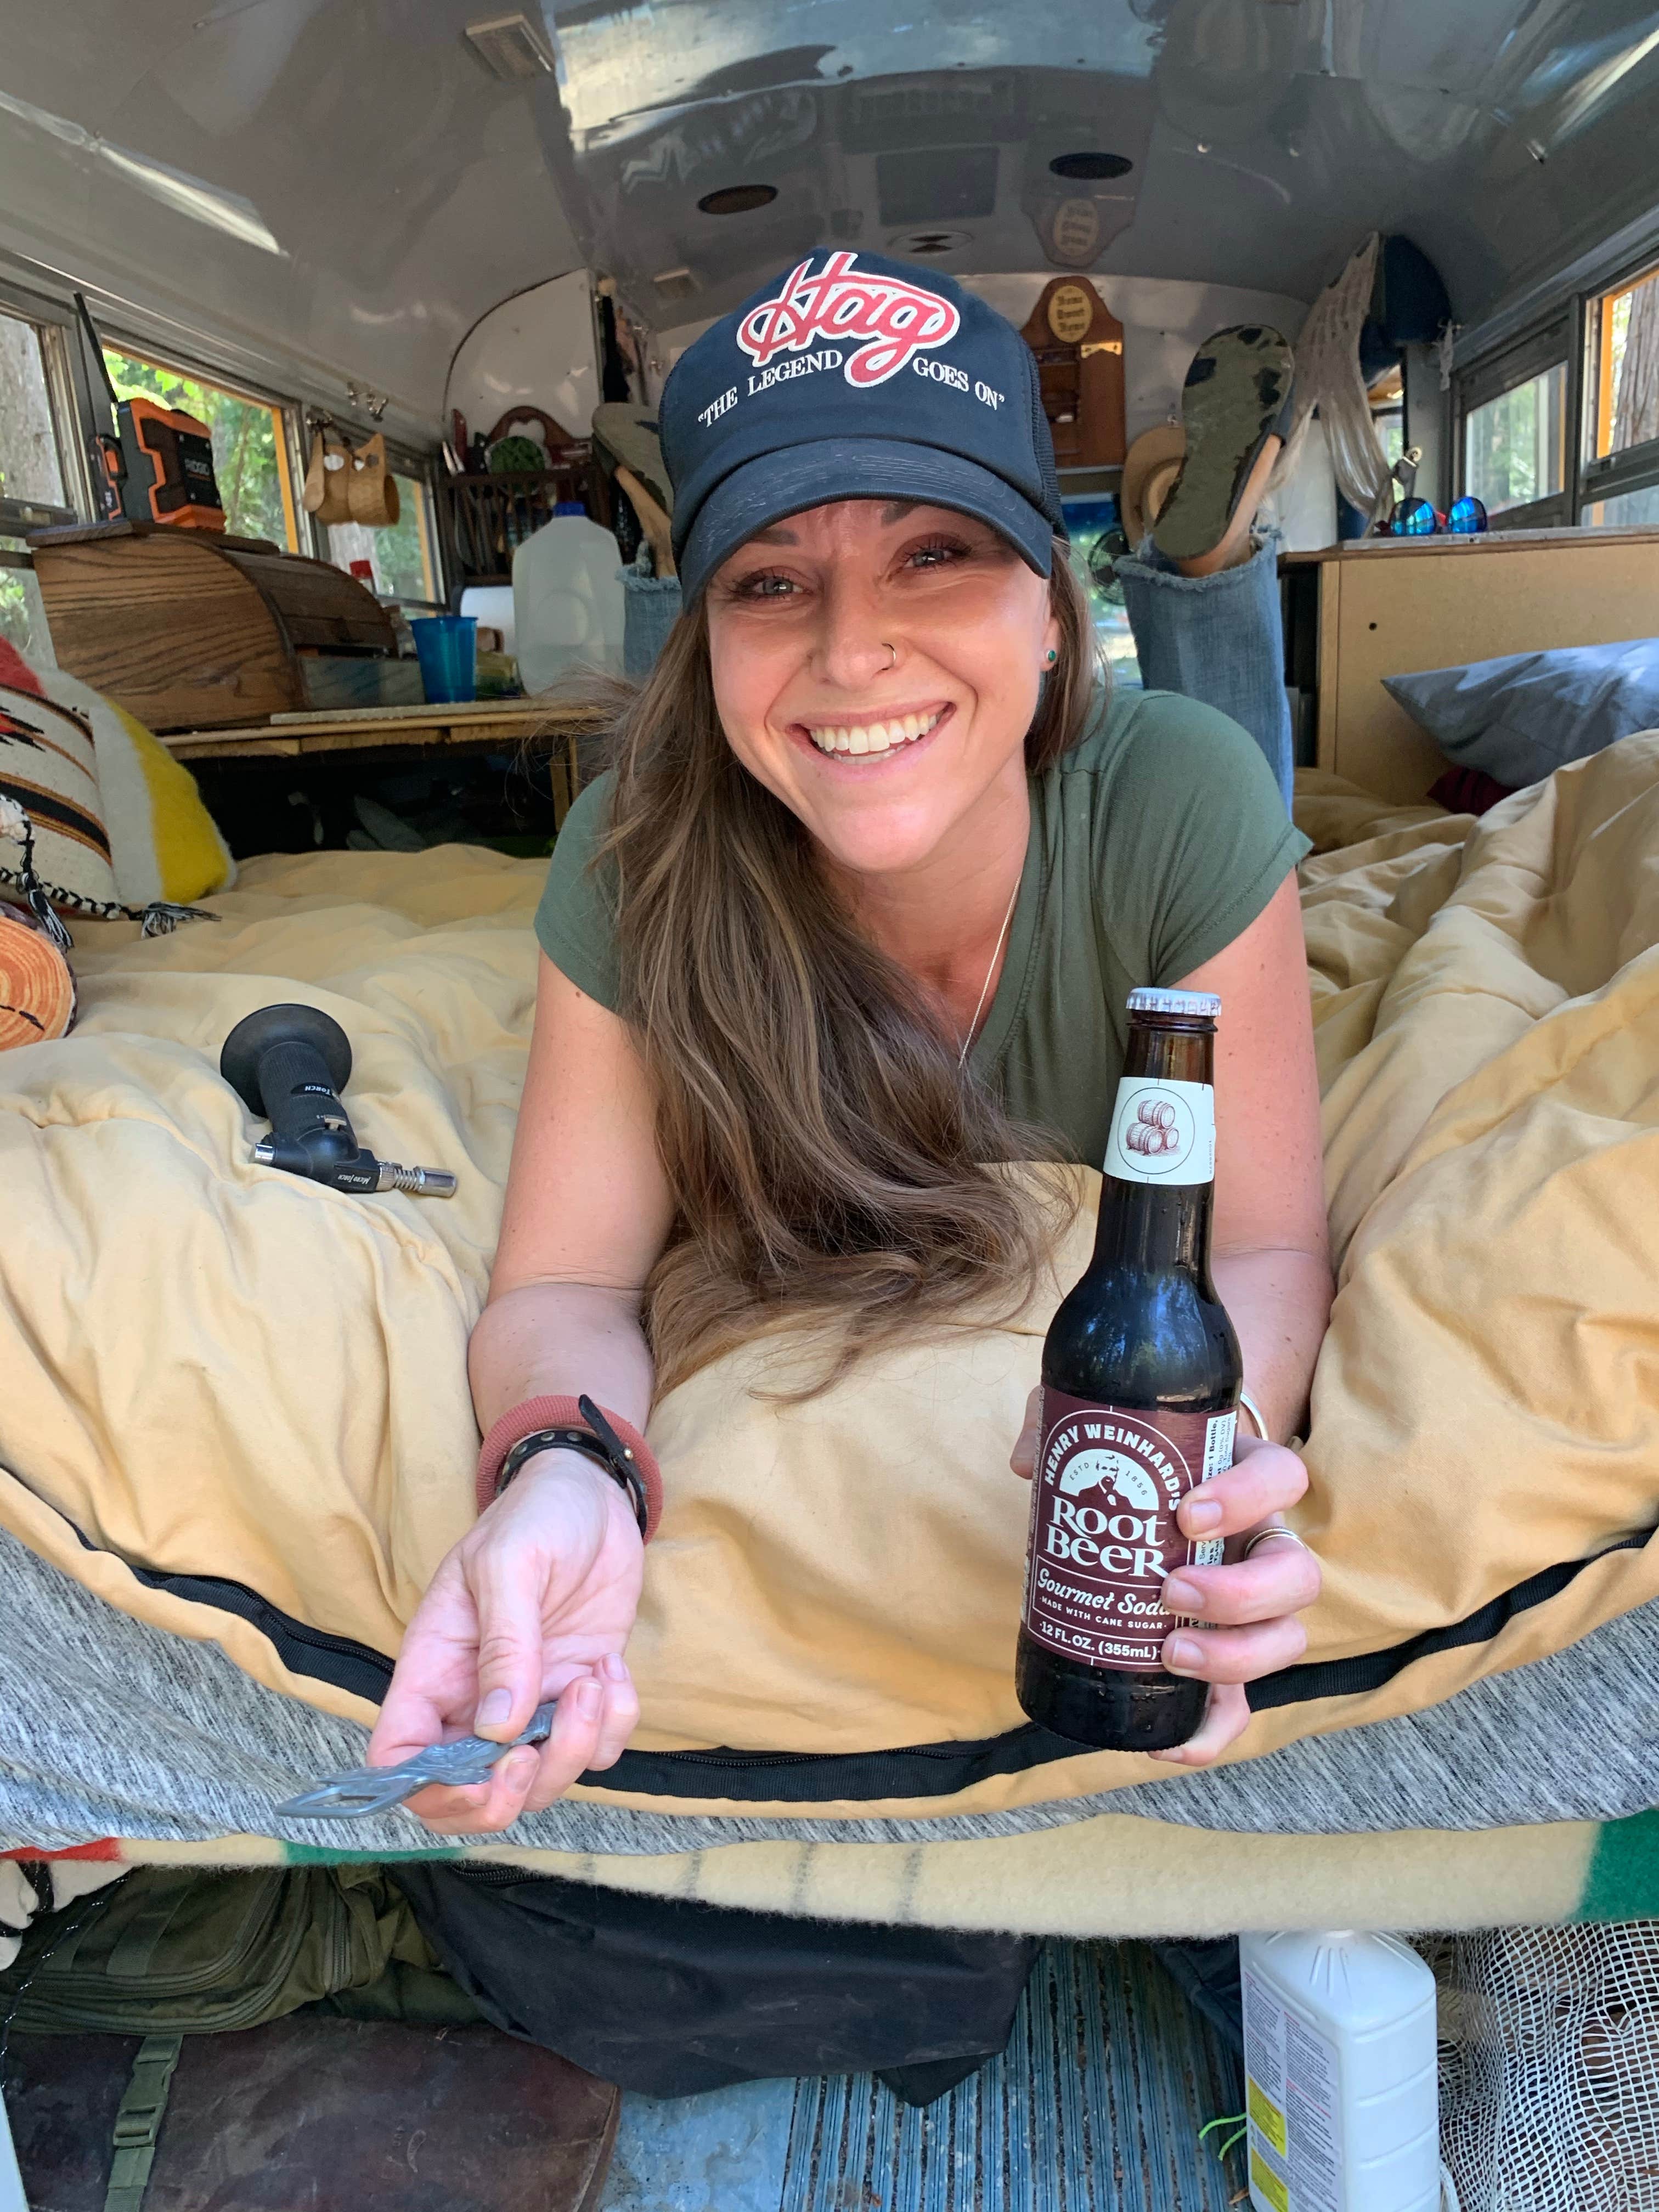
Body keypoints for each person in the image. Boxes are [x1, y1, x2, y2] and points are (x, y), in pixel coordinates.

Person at [369, 257, 1330, 1850]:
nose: (853, 649)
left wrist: (1223, 1467)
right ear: (703, 634)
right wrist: (567, 1470)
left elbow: (1273, 1239)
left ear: (1049, 604)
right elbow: (562, 1289)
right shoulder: (634, 852)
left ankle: (1209, 562)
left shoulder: (1179, 795)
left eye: (937, 554)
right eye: (771, 579)